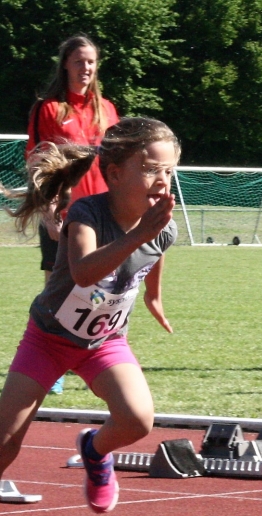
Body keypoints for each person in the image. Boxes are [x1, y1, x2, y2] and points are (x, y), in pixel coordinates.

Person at [0, 117, 180, 513]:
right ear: (114, 174)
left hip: (104, 343)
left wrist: (154, 296)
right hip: (48, 340)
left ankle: (95, 452)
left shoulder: (163, 228)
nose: (163, 179)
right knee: (6, 440)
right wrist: (139, 235)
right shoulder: (88, 213)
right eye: (150, 169)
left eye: (169, 170)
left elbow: (155, 255)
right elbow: (83, 272)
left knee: (137, 420)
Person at [26, 34, 120, 395]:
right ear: (65, 63)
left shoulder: (107, 109)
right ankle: (53, 365)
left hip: (103, 213)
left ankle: (92, 358)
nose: (86, 68)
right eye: (79, 61)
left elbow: (118, 165)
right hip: (65, 215)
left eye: (92, 62)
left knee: (104, 289)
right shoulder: (48, 109)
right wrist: (50, 213)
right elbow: (37, 164)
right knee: (58, 289)